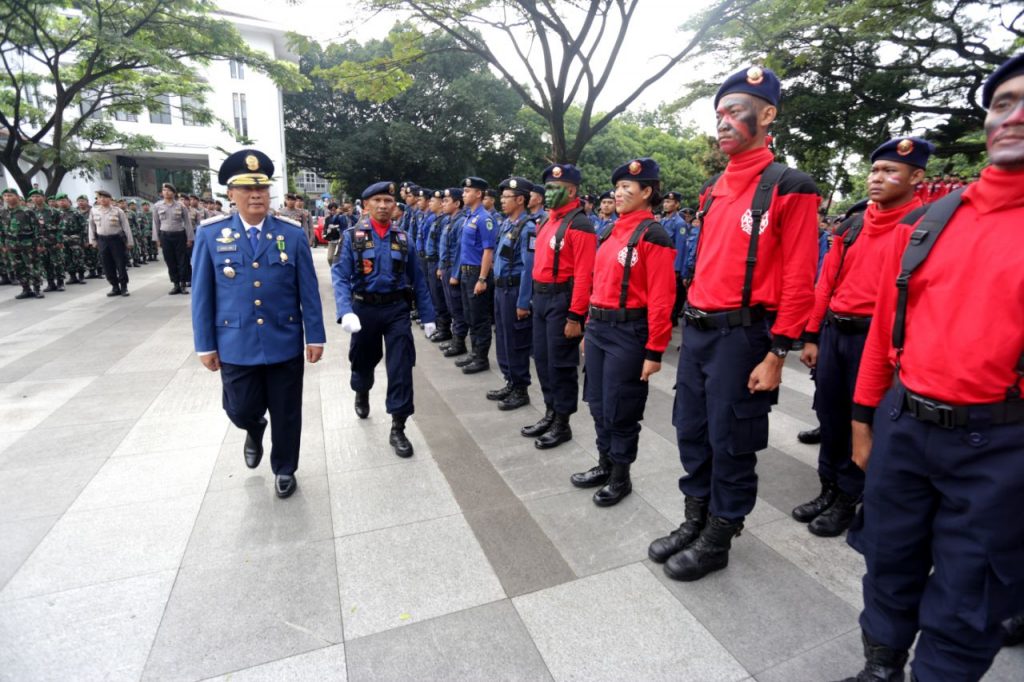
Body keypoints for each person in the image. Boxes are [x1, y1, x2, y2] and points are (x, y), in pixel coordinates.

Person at [834, 53, 1024, 682]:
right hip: (905, 425)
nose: (1013, 116)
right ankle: (880, 667)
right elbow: (885, 334)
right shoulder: (930, 222)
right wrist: (863, 419)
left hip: (1002, 446)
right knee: (888, 561)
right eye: (1002, 103)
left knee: (969, 598)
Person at [649, 66, 818, 582]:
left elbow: (799, 278)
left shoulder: (789, 186)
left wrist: (778, 352)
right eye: (719, 114)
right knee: (691, 430)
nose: (723, 122)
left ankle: (721, 533)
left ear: (767, 116)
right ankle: (695, 516)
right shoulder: (713, 188)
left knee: (732, 439)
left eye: (735, 111)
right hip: (699, 332)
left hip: (742, 336)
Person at [795, 137, 931, 540]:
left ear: (916, 177)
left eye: (891, 171)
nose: (877, 178)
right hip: (836, 333)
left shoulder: (923, 227)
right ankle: (828, 486)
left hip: (878, 340)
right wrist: (812, 335)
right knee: (830, 414)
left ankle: (849, 495)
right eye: (874, 170)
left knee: (865, 419)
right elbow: (826, 283)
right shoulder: (852, 225)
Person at [191, 149, 325, 499]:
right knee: (240, 408)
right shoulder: (211, 234)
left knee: (287, 411)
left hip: (284, 337)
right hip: (235, 341)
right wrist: (205, 344)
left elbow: (308, 290)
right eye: (247, 189)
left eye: (262, 188)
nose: (256, 195)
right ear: (231, 194)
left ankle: (285, 468)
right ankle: (253, 428)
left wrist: (316, 336)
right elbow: (202, 295)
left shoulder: (291, 234)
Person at [570, 158, 675, 506]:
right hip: (599, 328)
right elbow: (598, 284)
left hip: (629, 331)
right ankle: (604, 462)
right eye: (617, 187)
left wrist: (655, 350)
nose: (618, 193)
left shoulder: (653, 234)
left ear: (647, 192)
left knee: (621, 408)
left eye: (626, 187)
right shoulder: (609, 231)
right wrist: (589, 326)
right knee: (598, 403)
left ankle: (620, 475)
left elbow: (662, 298)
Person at [332, 181, 436, 458]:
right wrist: (345, 310)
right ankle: (362, 390)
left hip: (396, 309)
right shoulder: (352, 237)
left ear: (394, 206)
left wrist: (428, 316)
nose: (382, 206)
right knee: (363, 360)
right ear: (366, 205)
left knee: (401, 366)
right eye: (376, 200)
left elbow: (418, 279)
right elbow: (340, 275)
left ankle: (398, 426)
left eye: (387, 201)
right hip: (363, 308)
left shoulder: (403, 238)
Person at [521, 164, 597, 449]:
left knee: (561, 364)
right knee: (542, 359)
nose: (549, 193)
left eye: (556, 188)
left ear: (572, 191)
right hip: (541, 298)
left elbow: (584, 276)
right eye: (548, 188)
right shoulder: (546, 221)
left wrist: (576, 316)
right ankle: (550, 412)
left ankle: (562, 422)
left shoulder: (580, 225)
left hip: (562, 300)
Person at [487, 177, 536, 410]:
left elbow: (529, 267)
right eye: (502, 197)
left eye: (507, 197)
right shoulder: (507, 224)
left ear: (520, 200)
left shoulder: (528, 228)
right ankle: (510, 380)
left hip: (514, 291)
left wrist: (524, 301)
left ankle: (520, 388)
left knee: (516, 340)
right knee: (503, 337)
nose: (502, 201)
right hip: (501, 289)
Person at [456, 177, 496, 374]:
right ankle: (474, 352)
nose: (463, 194)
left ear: (478, 194)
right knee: (470, 315)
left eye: (467, 191)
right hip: (466, 272)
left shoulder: (484, 218)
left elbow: (488, 250)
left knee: (480, 318)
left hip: (477, 273)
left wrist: (482, 278)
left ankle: (481, 358)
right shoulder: (469, 217)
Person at [439, 188, 469, 357]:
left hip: (453, 269)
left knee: (457, 309)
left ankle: (459, 342)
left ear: (457, 203)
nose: (443, 204)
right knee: (451, 306)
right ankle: (455, 339)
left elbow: (459, 251)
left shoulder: (461, 222)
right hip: (446, 267)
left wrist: (455, 274)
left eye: (446, 201)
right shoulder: (449, 221)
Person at [88, 189, 134, 297]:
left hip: (116, 240)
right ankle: (115, 286)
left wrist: (129, 241)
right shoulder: (94, 211)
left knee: (120, 264)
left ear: (110, 199)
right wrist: (92, 240)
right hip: (102, 240)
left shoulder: (118, 211)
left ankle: (124, 287)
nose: (102, 199)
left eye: (105, 197)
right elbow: (91, 227)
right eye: (100, 197)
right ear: (97, 199)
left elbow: (126, 227)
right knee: (107, 265)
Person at [2, 187, 45, 299]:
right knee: (18, 267)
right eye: (5, 196)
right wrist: (2, 244)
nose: (7, 198)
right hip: (11, 244)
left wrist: (39, 244)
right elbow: (1, 230)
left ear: (17, 197)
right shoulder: (2, 212)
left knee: (32, 266)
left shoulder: (27, 211)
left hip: (28, 243)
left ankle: (37, 289)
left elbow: (37, 229)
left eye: (10, 195)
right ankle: (26, 289)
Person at [153, 183, 194, 295]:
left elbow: (188, 223)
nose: (166, 192)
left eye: (169, 190)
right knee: (170, 260)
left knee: (182, 260)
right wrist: (157, 239)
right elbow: (155, 223)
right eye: (164, 190)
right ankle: (175, 284)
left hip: (179, 235)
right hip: (165, 236)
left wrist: (190, 238)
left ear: (174, 193)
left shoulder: (181, 206)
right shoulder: (157, 206)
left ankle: (183, 284)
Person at [424, 189, 452, 343]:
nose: (430, 203)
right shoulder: (436, 219)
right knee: (435, 296)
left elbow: (444, 247)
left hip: (437, 262)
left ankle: (444, 329)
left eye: (433, 201)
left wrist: (440, 266)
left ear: (441, 204)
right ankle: (440, 326)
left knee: (440, 298)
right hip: (431, 261)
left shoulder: (444, 221)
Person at [27, 189, 65, 292]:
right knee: (45, 263)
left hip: (53, 241)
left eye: (38, 196)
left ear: (43, 198)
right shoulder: (30, 212)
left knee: (57, 262)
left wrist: (60, 241)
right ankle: (51, 283)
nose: (35, 199)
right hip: (40, 243)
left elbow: (61, 226)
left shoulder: (54, 211)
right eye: (33, 197)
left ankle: (60, 283)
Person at [661, 191, 688, 325]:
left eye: (669, 202)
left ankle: (670, 319)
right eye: (665, 202)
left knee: (669, 295)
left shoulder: (679, 223)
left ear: (677, 205)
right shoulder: (663, 221)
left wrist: (676, 269)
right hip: (660, 263)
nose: (665, 204)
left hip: (670, 265)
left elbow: (680, 248)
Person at [56, 193, 87, 285]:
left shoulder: (76, 212)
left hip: (75, 237)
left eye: (63, 200)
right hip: (63, 237)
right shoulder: (57, 213)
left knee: (78, 257)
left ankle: (81, 276)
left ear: (68, 201)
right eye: (59, 201)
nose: (62, 202)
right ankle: (72, 276)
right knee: (67, 258)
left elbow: (83, 226)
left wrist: (84, 239)